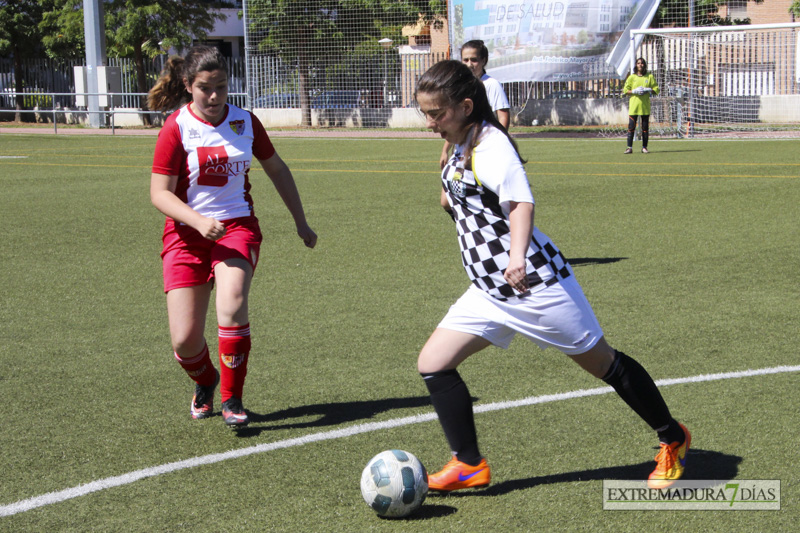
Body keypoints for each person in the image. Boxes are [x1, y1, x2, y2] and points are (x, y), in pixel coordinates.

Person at [415, 60, 689, 492]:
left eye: (437, 114)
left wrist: (517, 257)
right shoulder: (456, 142)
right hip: (489, 290)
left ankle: (672, 437)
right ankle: (468, 464)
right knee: (433, 363)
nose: (430, 123)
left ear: (466, 106)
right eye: (424, 113)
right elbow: (458, 194)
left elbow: (521, 203)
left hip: (532, 285)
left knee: (604, 364)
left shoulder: (492, 144)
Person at [148, 46, 317, 428]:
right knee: (185, 341)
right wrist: (196, 220)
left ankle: (232, 399)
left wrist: (301, 222)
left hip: (237, 228)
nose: (214, 97)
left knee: (232, 300)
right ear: (189, 86)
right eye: (205, 88)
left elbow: (276, 169)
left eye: (221, 87)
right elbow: (159, 193)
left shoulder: (245, 122)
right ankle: (207, 381)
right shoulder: (176, 127)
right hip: (186, 235)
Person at [440, 40, 510, 169]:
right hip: (461, 149)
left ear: (483, 61)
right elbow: (456, 122)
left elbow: (503, 116)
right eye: (465, 60)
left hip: (484, 148)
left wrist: (499, 143)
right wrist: (445, 150)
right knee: (453, 183)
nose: (469, 64)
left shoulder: (491, 84)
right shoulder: (459, 87)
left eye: (474, 60)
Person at [623, 57, 660, 154]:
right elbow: (625, 91)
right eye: (638, 63)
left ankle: (644, 147)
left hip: (644, 107)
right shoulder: (632, 77)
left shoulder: (649, 77)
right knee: (631, 127)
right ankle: (629, 147)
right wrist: (634, 91)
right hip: (634, 107)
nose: (640, 65)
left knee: (645, 128)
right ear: (636, 65)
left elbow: (656, 89)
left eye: (642, 63)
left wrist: (648, 90)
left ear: (645, 65)